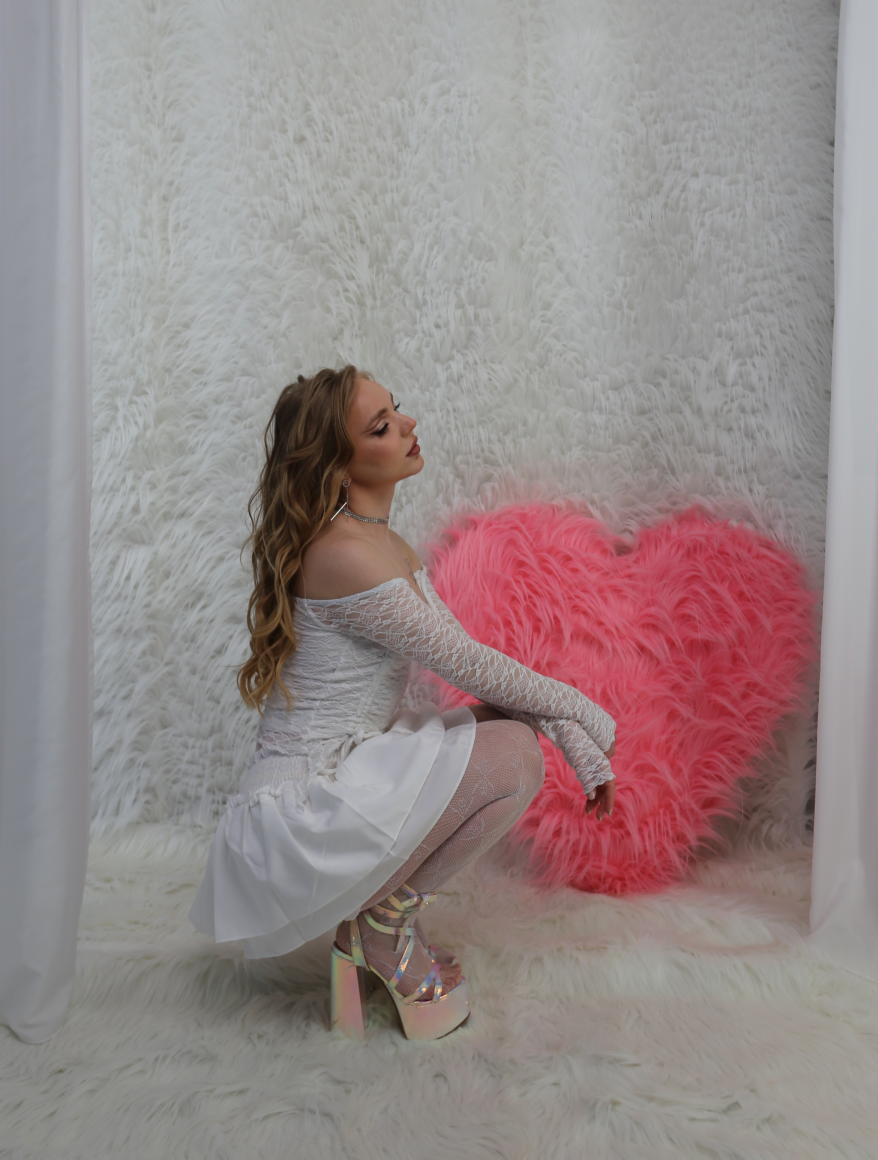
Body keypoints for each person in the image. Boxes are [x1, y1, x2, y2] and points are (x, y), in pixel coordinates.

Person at [188, 364, 617, 1041]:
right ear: (339, 465)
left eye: (398, 410)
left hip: (346, 768)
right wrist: (585, 717)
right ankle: (382, 933)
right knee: (510, 754)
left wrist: (576, 740)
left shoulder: (382, 545)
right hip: (301, 809)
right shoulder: (345, 556)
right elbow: (472, 666)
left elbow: (479, 669)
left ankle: (375, 931)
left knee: (506, 733)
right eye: (382, 426)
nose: (409, 425)